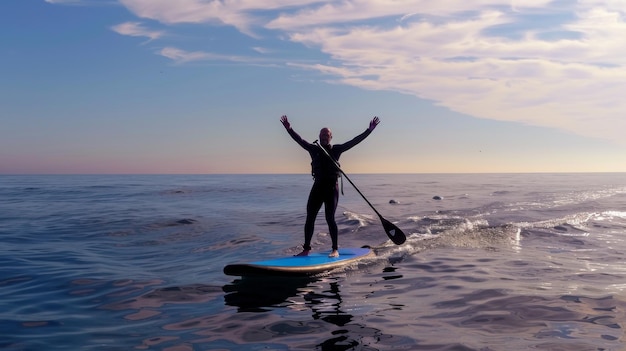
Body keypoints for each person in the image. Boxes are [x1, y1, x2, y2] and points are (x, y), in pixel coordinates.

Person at [280, 115, 380, 257]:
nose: (324, 136)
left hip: (331, 188)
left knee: (330, 218)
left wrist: (369, 130)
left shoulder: (336, 150)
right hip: (318, 186)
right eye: (322, 134)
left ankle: (335, 249)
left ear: (331, 137)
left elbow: (353, 142)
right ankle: (306, 249)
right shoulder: (313, 149)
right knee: (310, 217)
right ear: (319, 136)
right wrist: (289, 129)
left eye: (327, 134)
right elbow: (300, 140)